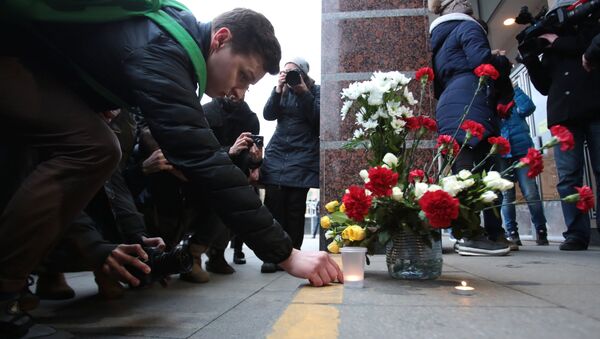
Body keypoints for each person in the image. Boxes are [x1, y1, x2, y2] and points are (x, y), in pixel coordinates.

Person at [0, 7, 342, 337]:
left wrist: (128, 236)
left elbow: (106, 176)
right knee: (95, 146)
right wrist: (287, 254)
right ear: (220, 40)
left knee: (99, 148)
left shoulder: (164, 40)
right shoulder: (163, 51)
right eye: (242, 76)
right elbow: (205, 160)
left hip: (26, 61)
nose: (239, 92)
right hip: (13, 55)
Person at [428, 0, 510, 256]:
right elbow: (480, 61)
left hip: (451, 103)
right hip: (471, 98)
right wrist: (500, 61)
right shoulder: (468, 27)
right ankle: (475, 237)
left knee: (463, 172)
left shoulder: (437, 39)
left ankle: (473, 234)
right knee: (485, 173)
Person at [520, 0, 600, 251]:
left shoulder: (587, 27)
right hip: (563, 115)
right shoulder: (551, 49)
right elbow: (544, 86)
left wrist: (556, 41)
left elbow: (588, 48)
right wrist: (531, 60)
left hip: (594, 104)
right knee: (568, 177)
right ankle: (576, 232)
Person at [260, 57, 320, 273]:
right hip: (278, 154)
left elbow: (319, 119)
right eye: (285, 72)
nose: (289, 76)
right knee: (273, 207)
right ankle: (272, 255)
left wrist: (303, 91)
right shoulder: (281, 91)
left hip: (303, 155)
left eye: (293, 71)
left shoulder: (315, 90)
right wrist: (277, 89)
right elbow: (268, 114)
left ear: (303, 73)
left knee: (295, 208)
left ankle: (291, 254)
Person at [203, 96, 262, 269]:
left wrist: (255, 162)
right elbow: (199, 150)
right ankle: (197, 251)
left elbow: (250, 156)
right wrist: (229, 151)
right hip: (208, 175)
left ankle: (220, 252)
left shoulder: (250, 118)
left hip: (236, 177)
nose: (236, 92)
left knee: (242, 209)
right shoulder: (206, 112)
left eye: (243, 85)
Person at [499, 86, 549, 248]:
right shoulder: (489, 96)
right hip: (502, 152)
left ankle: (541, 231)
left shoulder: (512, 93)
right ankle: (512, 233)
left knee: (530, 192)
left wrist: (514, 89)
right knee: (507, 195)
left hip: (521, 150)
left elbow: (528, 108)